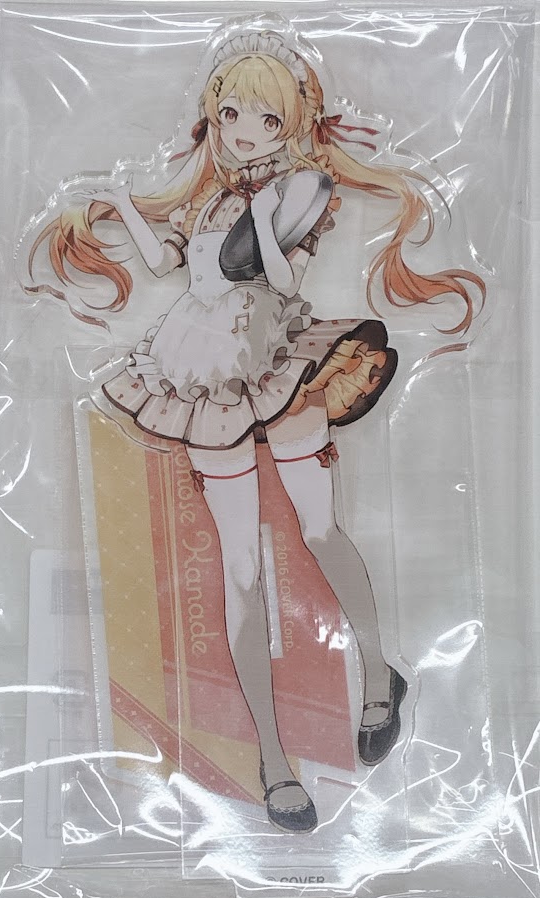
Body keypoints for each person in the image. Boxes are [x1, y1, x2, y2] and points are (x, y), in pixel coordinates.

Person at [28, 28, 485, 833]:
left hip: (278, 359)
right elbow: (171, 265)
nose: (243, 130)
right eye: (230, 113)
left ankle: (375, 671)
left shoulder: (305, 191)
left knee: (319, 526)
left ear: (293, 122)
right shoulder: (209, 197)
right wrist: (126, 206)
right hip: (198, 370)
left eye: (265, 118)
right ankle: (272, 758)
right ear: (213, 113)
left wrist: (268, 218)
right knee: (237, 566)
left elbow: (275, 275)